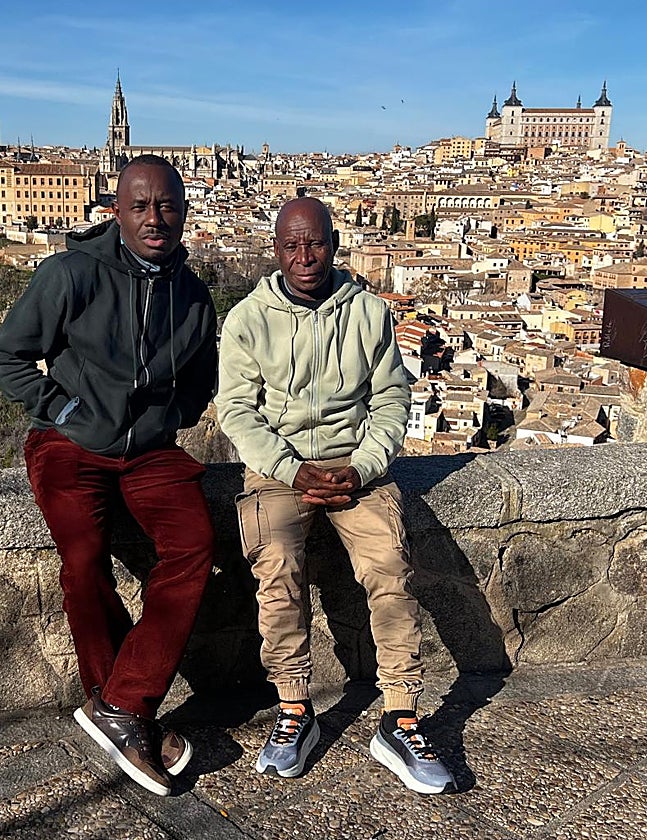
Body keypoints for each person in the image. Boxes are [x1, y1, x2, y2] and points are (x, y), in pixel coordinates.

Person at [0, 155, 217, 797]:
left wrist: (166, 418)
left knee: (194, 545)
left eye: (167, 205)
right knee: (84, 554)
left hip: (149, 451)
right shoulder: (70, 273)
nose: (155, 218)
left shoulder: (193, 297)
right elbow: (6, 357)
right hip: (67, 443)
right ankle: (126, 709)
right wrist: (63, 409)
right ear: (116, 209)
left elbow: (202, 382)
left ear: (183, 212)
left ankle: (122, 705)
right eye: (141, 205)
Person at [214, 196, 454, 794]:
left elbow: (392, 398)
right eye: (292, 245)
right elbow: (238, 414)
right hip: (278, 471)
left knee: (390, 567)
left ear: (334, 243)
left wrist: (367, 463)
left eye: (315, 243)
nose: (305, 257)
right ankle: (295, 708)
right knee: (277, 565)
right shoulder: (247, 320)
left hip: (356, 469)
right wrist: (290, 470)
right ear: (276, 250)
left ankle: (400, 716)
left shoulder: (368, 313)